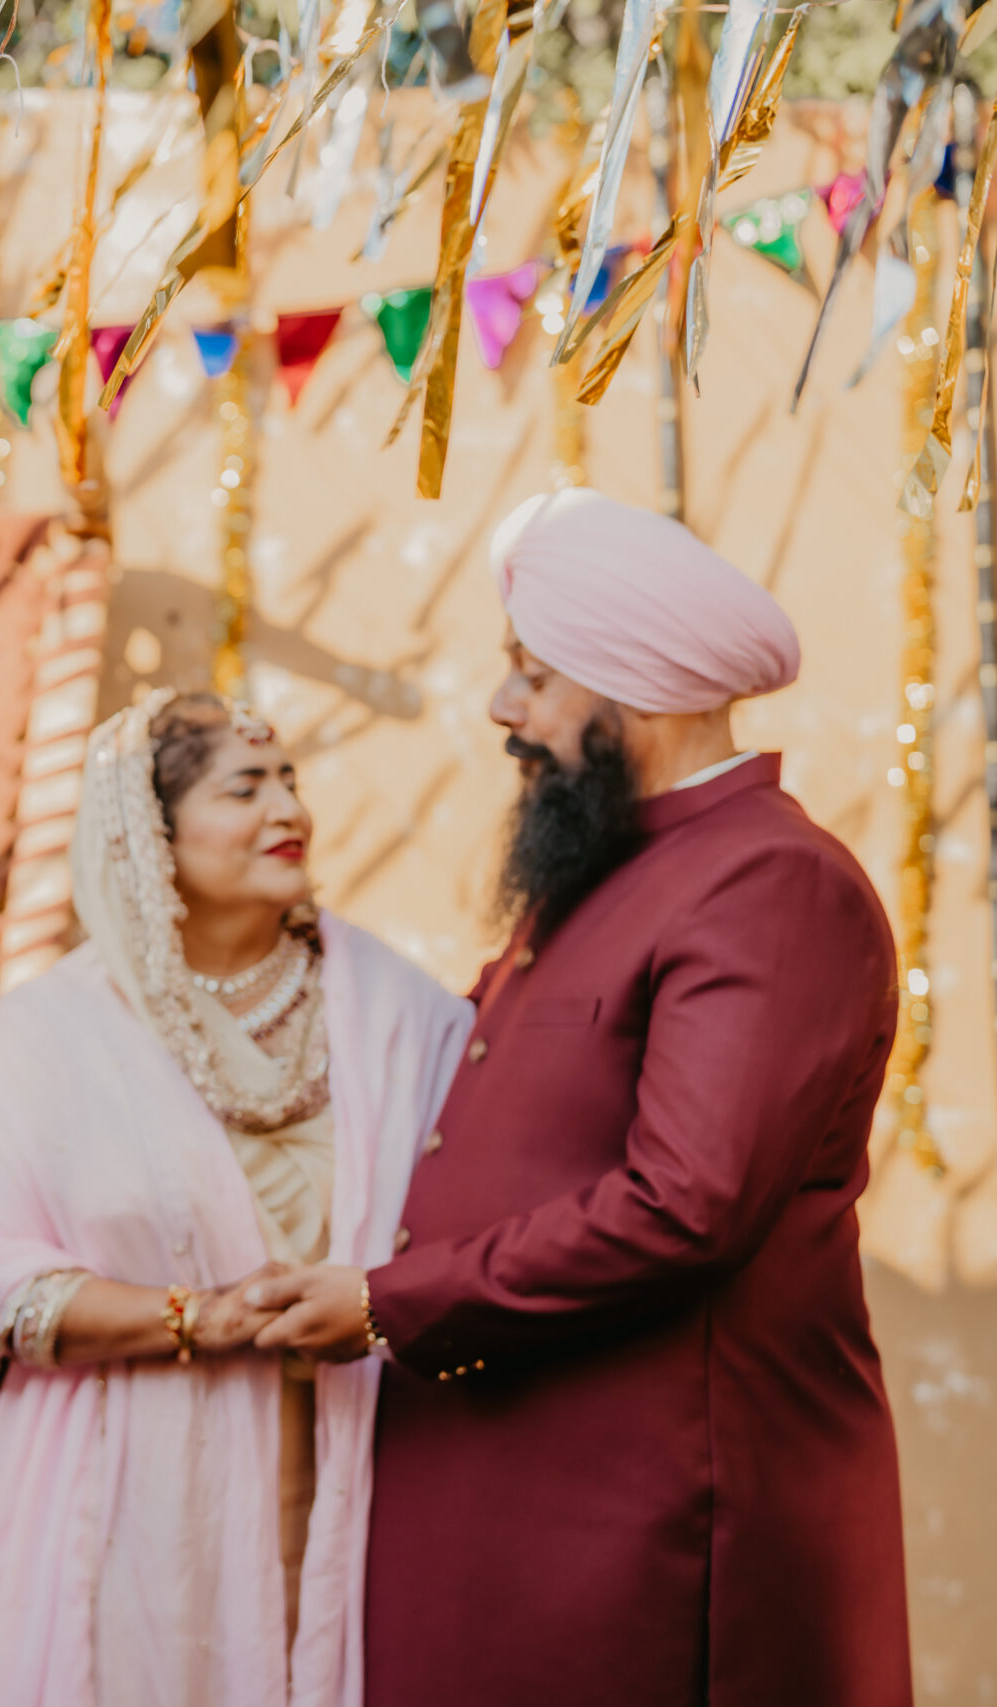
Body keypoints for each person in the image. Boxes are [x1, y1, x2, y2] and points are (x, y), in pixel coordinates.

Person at [248, 488, 911, 1706]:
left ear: (634, 687)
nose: (504, 707)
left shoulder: (769, 883)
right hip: (495, 1500)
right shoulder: (603, 874)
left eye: (534, 675)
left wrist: (389, 1303)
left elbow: (683, 1206)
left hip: (651, 1532)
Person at [0, 689, 471, 1707]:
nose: (287, 809)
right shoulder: (50, 1034)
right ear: (150, 833)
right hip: (134, 1493)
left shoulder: (403, 1014)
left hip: (363, 1475)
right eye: (243, 788)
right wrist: (192, 1317)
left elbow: (476, 1231)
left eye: (289, 780)